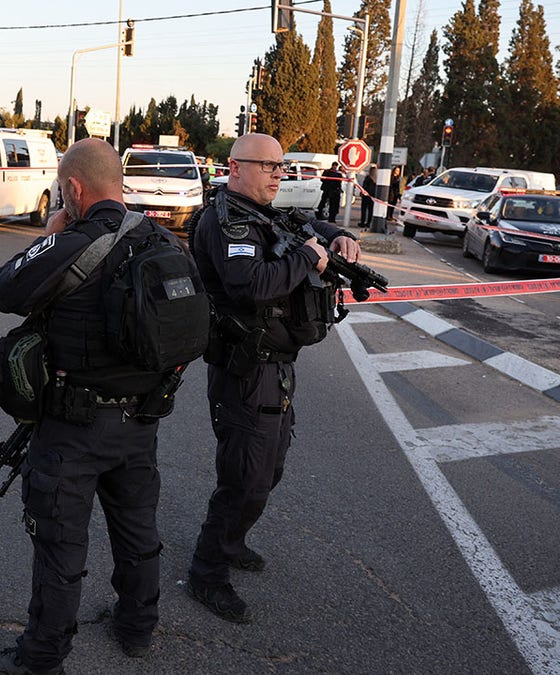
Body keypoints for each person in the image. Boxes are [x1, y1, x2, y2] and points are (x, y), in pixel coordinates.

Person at [0, 138, 192, 674]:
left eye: (61, 189)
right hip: (141, 422)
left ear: (73, 189)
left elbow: (1, 290)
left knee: (59, 543)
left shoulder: (72, 241)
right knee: (138, 530)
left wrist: (47, 237)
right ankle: (137, 628)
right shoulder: (162, 240)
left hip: (73, 427)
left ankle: (41, 657)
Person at [185, 133, 361, 624]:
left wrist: (335, 235)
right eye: (269, 167)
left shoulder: (263, 212)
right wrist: (309, 257)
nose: (278, 176)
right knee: (243, 477)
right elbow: (251, 286)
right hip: (245, 369)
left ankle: (233, 540)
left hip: (275, 366)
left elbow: (307, 223)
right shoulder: (227, 222)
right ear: (235, 168)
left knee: (270, 468)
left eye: (282, 168)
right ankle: (207, 572)